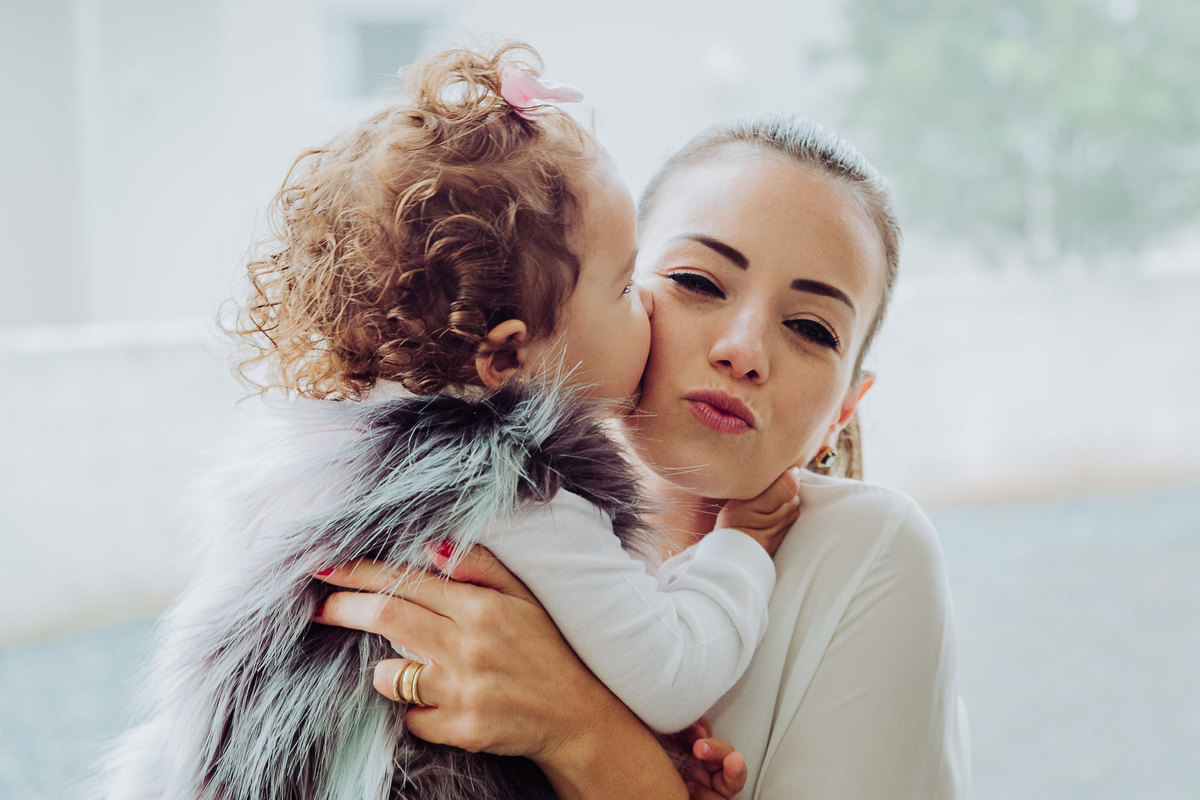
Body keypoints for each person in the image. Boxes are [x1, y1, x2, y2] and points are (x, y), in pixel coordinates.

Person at [95, 43, 802, 800]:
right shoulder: (524, 497)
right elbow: (670, 674)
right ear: (506, 359)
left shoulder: (307, 470)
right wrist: (744, 546)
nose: (651, 306)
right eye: (625, 285)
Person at [314, 114, 971, 799]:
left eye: (810, 328)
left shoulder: (869, 548)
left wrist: (581, 731)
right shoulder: (457, 501)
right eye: (697, 282)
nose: (743, 351)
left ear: (846, 405)